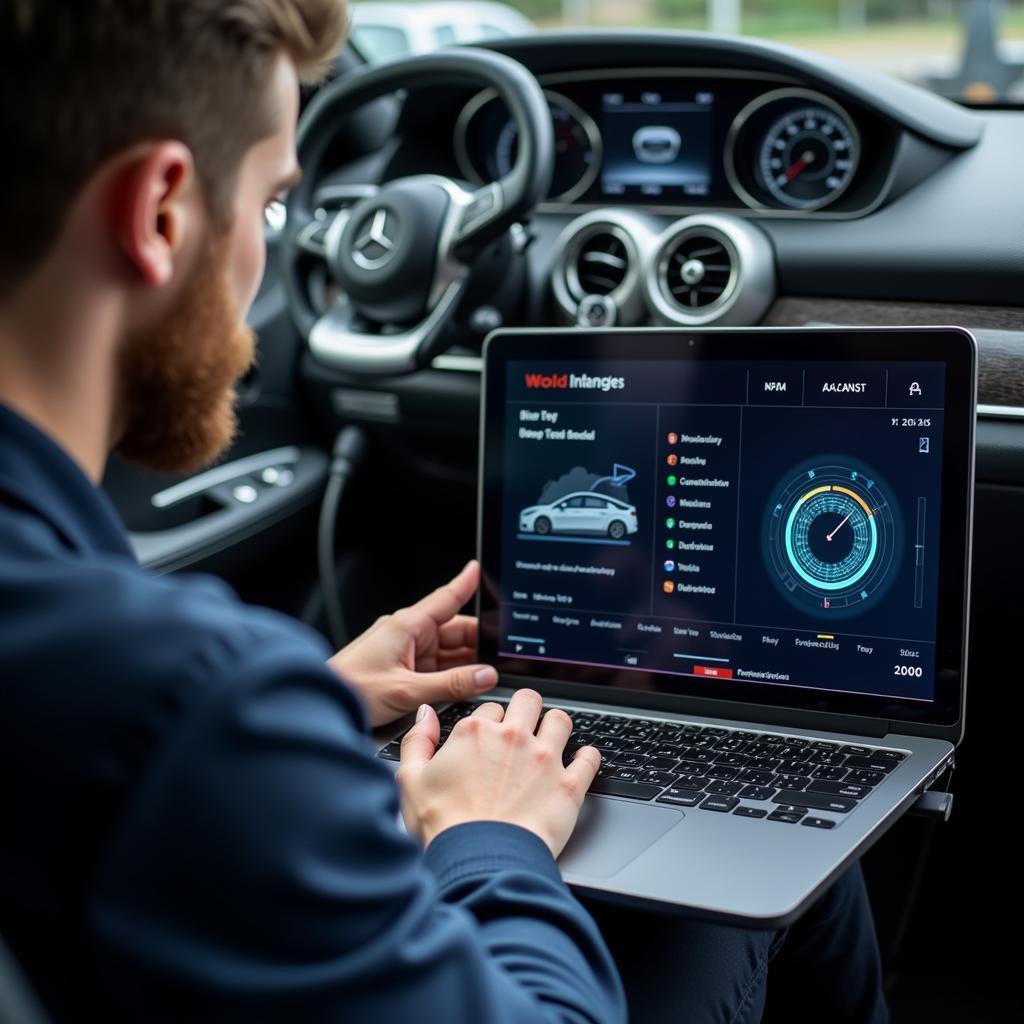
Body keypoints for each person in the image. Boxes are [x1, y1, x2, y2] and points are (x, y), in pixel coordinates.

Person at [0, 3, 888, 1021]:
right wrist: (494, 839)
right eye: (273, 202)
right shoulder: (191, 705)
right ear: (160, 212)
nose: (269, 258)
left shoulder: (101, 664)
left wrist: (316, 704)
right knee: (779, 862)